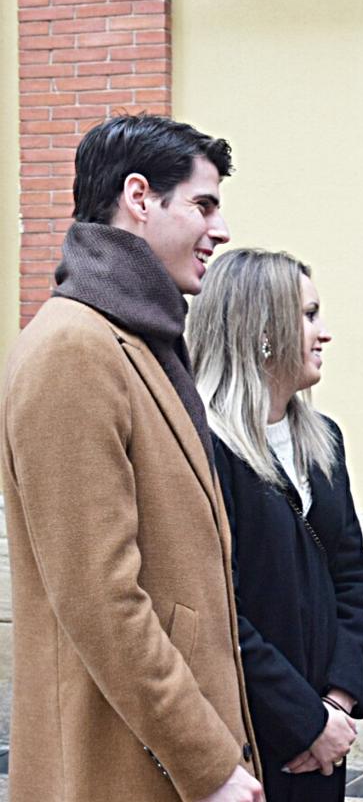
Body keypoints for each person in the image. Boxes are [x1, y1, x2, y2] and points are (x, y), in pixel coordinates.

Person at [0, 115, 263, 801]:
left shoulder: (134, 340)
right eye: (203, 205)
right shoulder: (74, 350)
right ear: (140, 198)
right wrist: (205, 762)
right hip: (118, 767)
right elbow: (102, 597)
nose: (221, 229)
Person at [187, 249, 363, 802]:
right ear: (264, 331)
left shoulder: (324, 440)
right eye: (310, 315)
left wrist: (336, 707)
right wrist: (303, 721)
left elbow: (353, 577)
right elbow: (219, 610)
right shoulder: (203, 449)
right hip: (250, 738)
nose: (324, 334)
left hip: (324, 740)